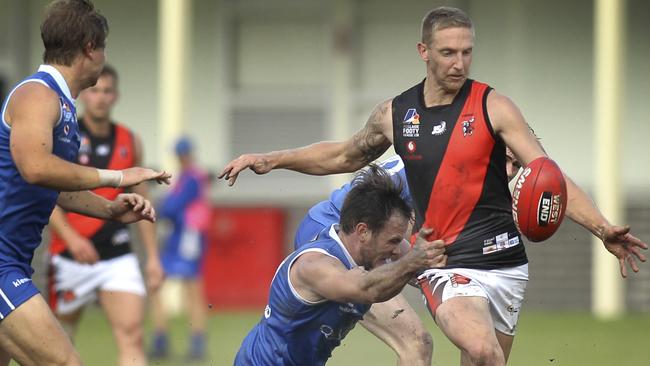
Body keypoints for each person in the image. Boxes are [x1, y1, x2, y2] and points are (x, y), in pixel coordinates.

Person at [219, 6, 647, 366]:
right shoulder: (397, 114)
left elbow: (550, 177)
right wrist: (271, 159)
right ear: (424, 53)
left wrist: (602, 228)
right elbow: (344, 156)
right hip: (373, 240)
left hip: (480, 260)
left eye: (467, 52)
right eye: (448, 53)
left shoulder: (494, 109)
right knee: (451, 347)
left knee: (478, 357)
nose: (459, 63)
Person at [0, 0, 170, 364]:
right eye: (103, 47)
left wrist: (110, 208)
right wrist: (120, 176)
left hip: (14, 259)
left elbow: (54, 186)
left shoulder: (62, 105)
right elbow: (35, 168)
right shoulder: (36, 94)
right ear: (90, 48)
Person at [235, 165, 446, 366]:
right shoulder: (315, 265)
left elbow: (424, 266)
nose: (397, 250)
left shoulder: (368, 250)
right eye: (392, 242)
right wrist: (412, 261)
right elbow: (366, 289)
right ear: (363, 232)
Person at [47, 64, 163, 366]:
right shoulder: (67, 136)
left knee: (132, 336)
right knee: (60, 342)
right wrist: (71, 239)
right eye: (95, 90)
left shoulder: (130, 140)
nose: (101, 97)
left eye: (107, 91)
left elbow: (142, 200)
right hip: (70, 256)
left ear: (116, 97)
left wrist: (152, 257)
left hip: (117, 256)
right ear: (85, 95)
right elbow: (48, 194)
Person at [149, 137, 211, 361]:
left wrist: (162, 208)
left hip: (187, 237)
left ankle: (194, 342)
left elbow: (172, 208)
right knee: (169, 286)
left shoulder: (192, 178)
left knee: (191, 290)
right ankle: (163, 338)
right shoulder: (188, 177)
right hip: (180, 237)